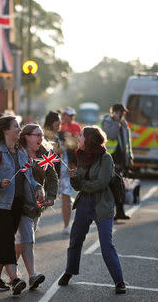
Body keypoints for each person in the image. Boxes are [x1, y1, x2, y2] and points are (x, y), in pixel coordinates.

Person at [0, 116, 44, 295]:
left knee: (3, 240)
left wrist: (38, 187)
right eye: (16, 126)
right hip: (0, 205)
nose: (19, 129)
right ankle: (14, 280)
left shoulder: (21, 152)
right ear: (6, 130)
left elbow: (28, 177)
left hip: (17, 204)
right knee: (7, 239)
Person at [58, 126, 126, 294]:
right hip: (84, 204)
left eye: (80, 135)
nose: (77, 137)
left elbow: (101, 183)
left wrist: (81, 184)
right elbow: (78, 186)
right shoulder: (81, 156)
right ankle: (69, 271)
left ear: (89, 139)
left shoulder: (105, 158)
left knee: (106, 244)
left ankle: (119, 281)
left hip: (102, 204)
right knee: (75, 240)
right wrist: (74, 178)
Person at [13, 124, 58, 290]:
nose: (40, 138)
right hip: (19, 204)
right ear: (27, 136)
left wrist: (51, 197)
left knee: (21, 242)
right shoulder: (18, 153)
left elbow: (53, 179)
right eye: (37, 135)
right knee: (28, 239)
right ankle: (32, 275)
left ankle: (9, 273)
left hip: (36, 206)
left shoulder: (43, 155)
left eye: (42, 135)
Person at [43, 111, 77, 235]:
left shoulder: (62, 135)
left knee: (66, 198)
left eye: (59, 120)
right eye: (56, 120)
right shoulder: (45, 137)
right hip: (51, 174)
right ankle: (32, 219)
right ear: (50, 122)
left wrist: (71, 139)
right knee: (46, 200)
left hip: (65, 174)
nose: (59, 123)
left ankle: (67, 226)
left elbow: (74, 144)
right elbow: (44, 156)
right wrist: (57, 151)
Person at [102, 103, 133, 220]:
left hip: (121, 159)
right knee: (112, 186)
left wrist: (130, 157)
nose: (123, 114)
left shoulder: (124, 124)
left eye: (123, 112)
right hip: (109, 159)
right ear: (114, 112)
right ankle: (111, 212)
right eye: (121, 112)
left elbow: (127, 142)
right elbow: (112, 135)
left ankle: (120, 212)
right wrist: (116, 122)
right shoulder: (107, 121)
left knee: (120, 186)